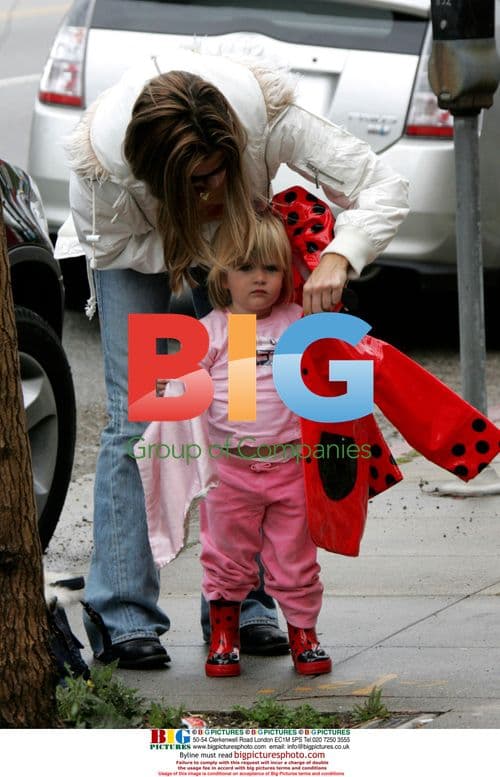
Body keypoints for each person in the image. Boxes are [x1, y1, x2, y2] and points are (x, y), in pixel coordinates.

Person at [60, 45, 409, 669]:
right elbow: (125, 259)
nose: (215, 187)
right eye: (200, 182)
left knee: (244, 407)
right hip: (136, 249)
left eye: (223, 170)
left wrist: (340, 254)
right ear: (161, 177)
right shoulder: (102, 176)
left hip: (238, 249)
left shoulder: (269, 118)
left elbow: (383, 184)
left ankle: (242, 603)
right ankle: (123, 615)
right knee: (139, 414)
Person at [195, 210, 331, 678]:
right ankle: (224, 635)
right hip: (229, 473)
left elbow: (334, 365)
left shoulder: (298, 323)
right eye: (247, 267)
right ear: (223, 275)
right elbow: (175, 394)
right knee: (225, 555)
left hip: (291, 468)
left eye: (271, 268)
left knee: (296, 558)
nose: (260, 279)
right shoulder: (213, 331)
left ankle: (304, 635)